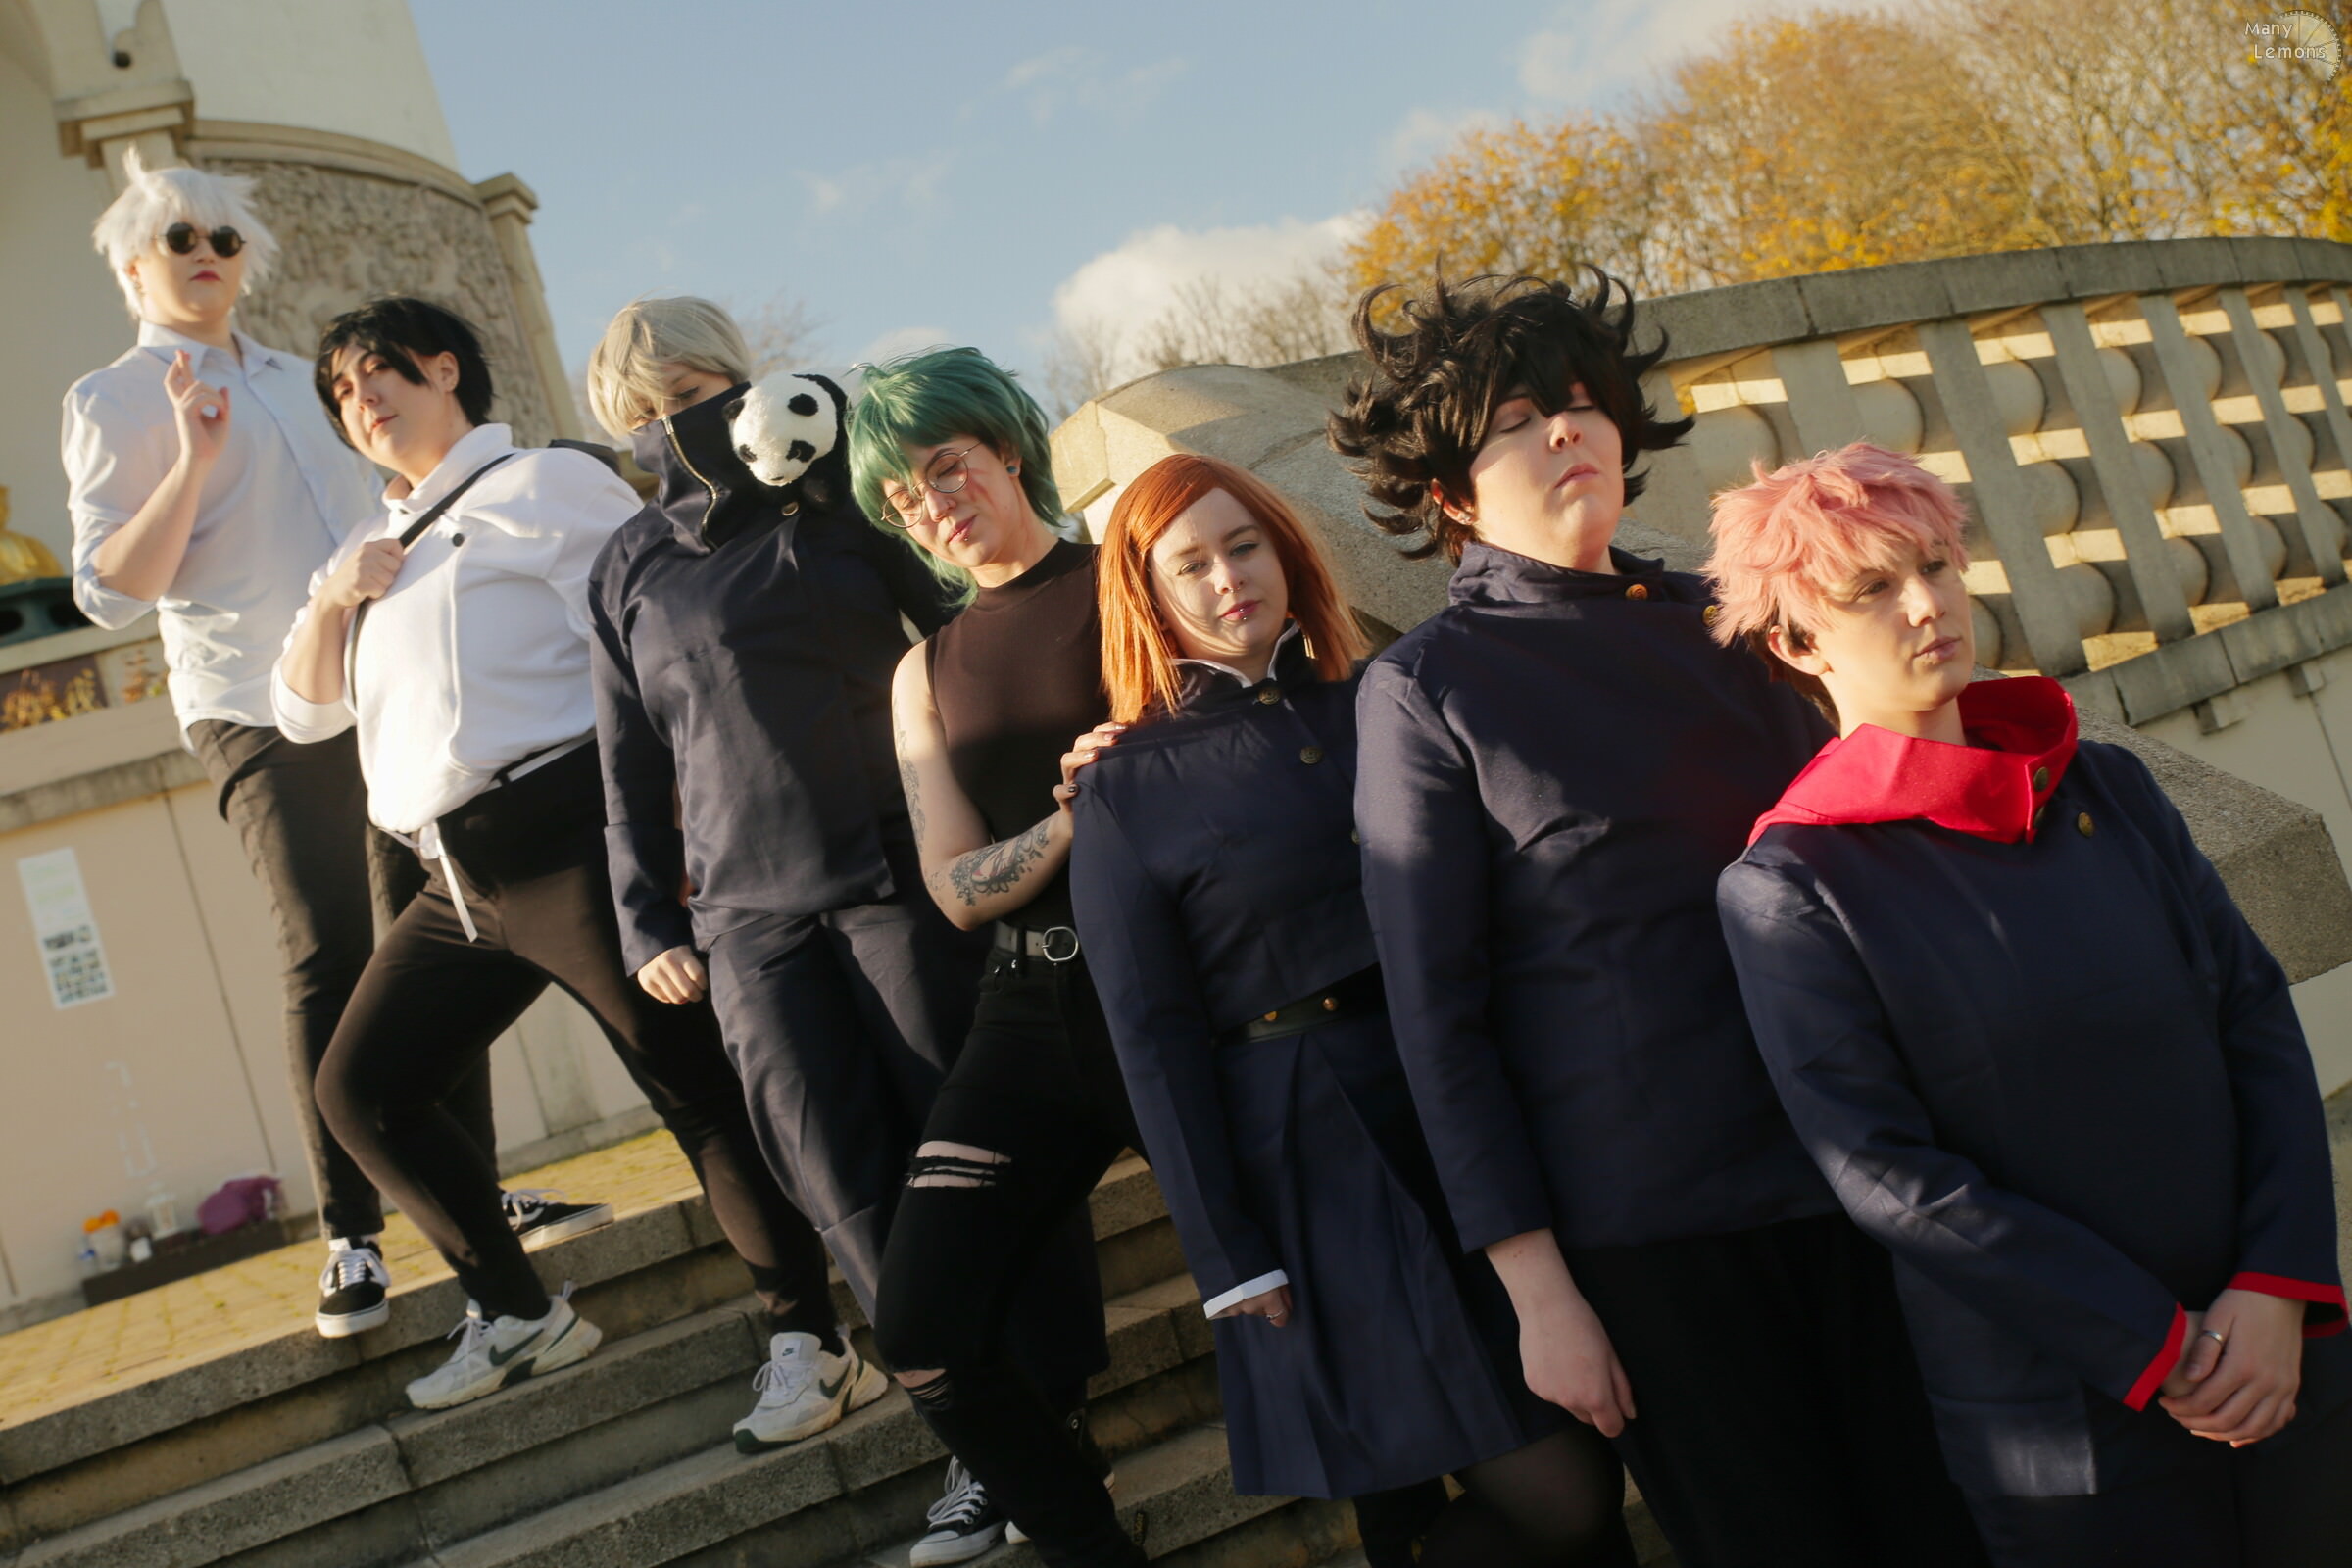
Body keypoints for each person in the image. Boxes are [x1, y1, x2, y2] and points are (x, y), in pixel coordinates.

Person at [1332, 272, 1987, 1568]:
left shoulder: (1728, 622)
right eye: (1515, 420)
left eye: (1583, 402)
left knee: (1950, 1529)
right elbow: (1439, 1019)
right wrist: (1538, 1292)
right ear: (1448, 491)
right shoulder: (1427, 690)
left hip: (1862, 1171)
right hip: (1655, 1235)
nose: (1566, 430)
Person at [1707, 443, 2352, 1568]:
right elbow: (1888, 1174)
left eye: (1936, 564)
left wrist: (2275, 1283)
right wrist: (2160, 1345)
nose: (1928, 604)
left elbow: (2252, 1016)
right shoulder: (1792, 886)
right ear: (1799, 643)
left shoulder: (2111, 785)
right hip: (2071, 1427)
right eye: (1873, 587)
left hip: (2278, 1355)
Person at [61, 151, 603, 1341]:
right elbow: (108, 590)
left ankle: (472, 1199)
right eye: (180, 239)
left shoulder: (308, 379)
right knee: (328, 946)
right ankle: (351, 1234)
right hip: (255, 707)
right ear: (132, 265)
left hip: (379, 696)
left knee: (435, 936)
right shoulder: (113, 398)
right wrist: (193, 459)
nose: (207, 255)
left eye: (225, 238)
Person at [1068, 451, 1638, 1567]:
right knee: (1546, 1490)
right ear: (1147, 595)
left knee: (1588, 1431)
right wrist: (1224, 1250)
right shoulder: (1124, 785)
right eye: (1191, 564)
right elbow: (1150, 1037)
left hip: (1477, 1097)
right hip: (1317, 1157)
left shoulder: (1391, 694)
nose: (1228, 578)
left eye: (1244, 545)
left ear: (1285, 548)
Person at [272, 296, 825, 1418]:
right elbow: (300, 710)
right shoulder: (370, 548)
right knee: (360, 1089)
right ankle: (518, 1311)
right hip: (450, 879)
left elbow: (647, 643)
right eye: (339, 392)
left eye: (380, 374)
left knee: (693, 1091)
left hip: (570, 834)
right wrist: (336, 594)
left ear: (444, 371)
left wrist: (671, 829)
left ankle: (810, 1337)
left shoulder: (541, 483)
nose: (359, 401)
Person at [581, 297, 1101, 1466]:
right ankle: (982, 1445)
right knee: (840, 1178)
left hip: (899, 883)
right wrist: (645, 915)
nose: (673, 422)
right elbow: (628, 761)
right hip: (746, 927)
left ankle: (1056, 1397)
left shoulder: (846, 497)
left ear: (741, 380)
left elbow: (969, 634)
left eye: (692, 393)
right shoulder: (625, 564)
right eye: (644, 410)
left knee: (974, 1147)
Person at [849, 348, 1132, 1567]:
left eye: (945, 466)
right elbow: (955, 886)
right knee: (921, 1327)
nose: (932, 505)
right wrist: (1066, 824)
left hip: (1171, 982)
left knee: (1293, 1273)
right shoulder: (923, 670)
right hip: (1028, 1008)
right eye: (902, 497)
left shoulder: (1130, 579)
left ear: (1006, 449)